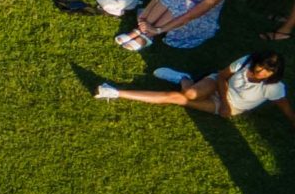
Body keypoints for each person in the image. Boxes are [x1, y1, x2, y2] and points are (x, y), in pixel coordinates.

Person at [93, 49, 295, 124]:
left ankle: (115, 92)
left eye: (266, 72)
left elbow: (285, 107)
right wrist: (223, 101)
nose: (259, 74)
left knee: (178, 99)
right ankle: (183, 78)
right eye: (258, 68)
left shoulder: (274, 87)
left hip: (232, 106)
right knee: (189, 93)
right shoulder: (245, 61)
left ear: (274, 74)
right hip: (218, 86)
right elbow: (222, 77)